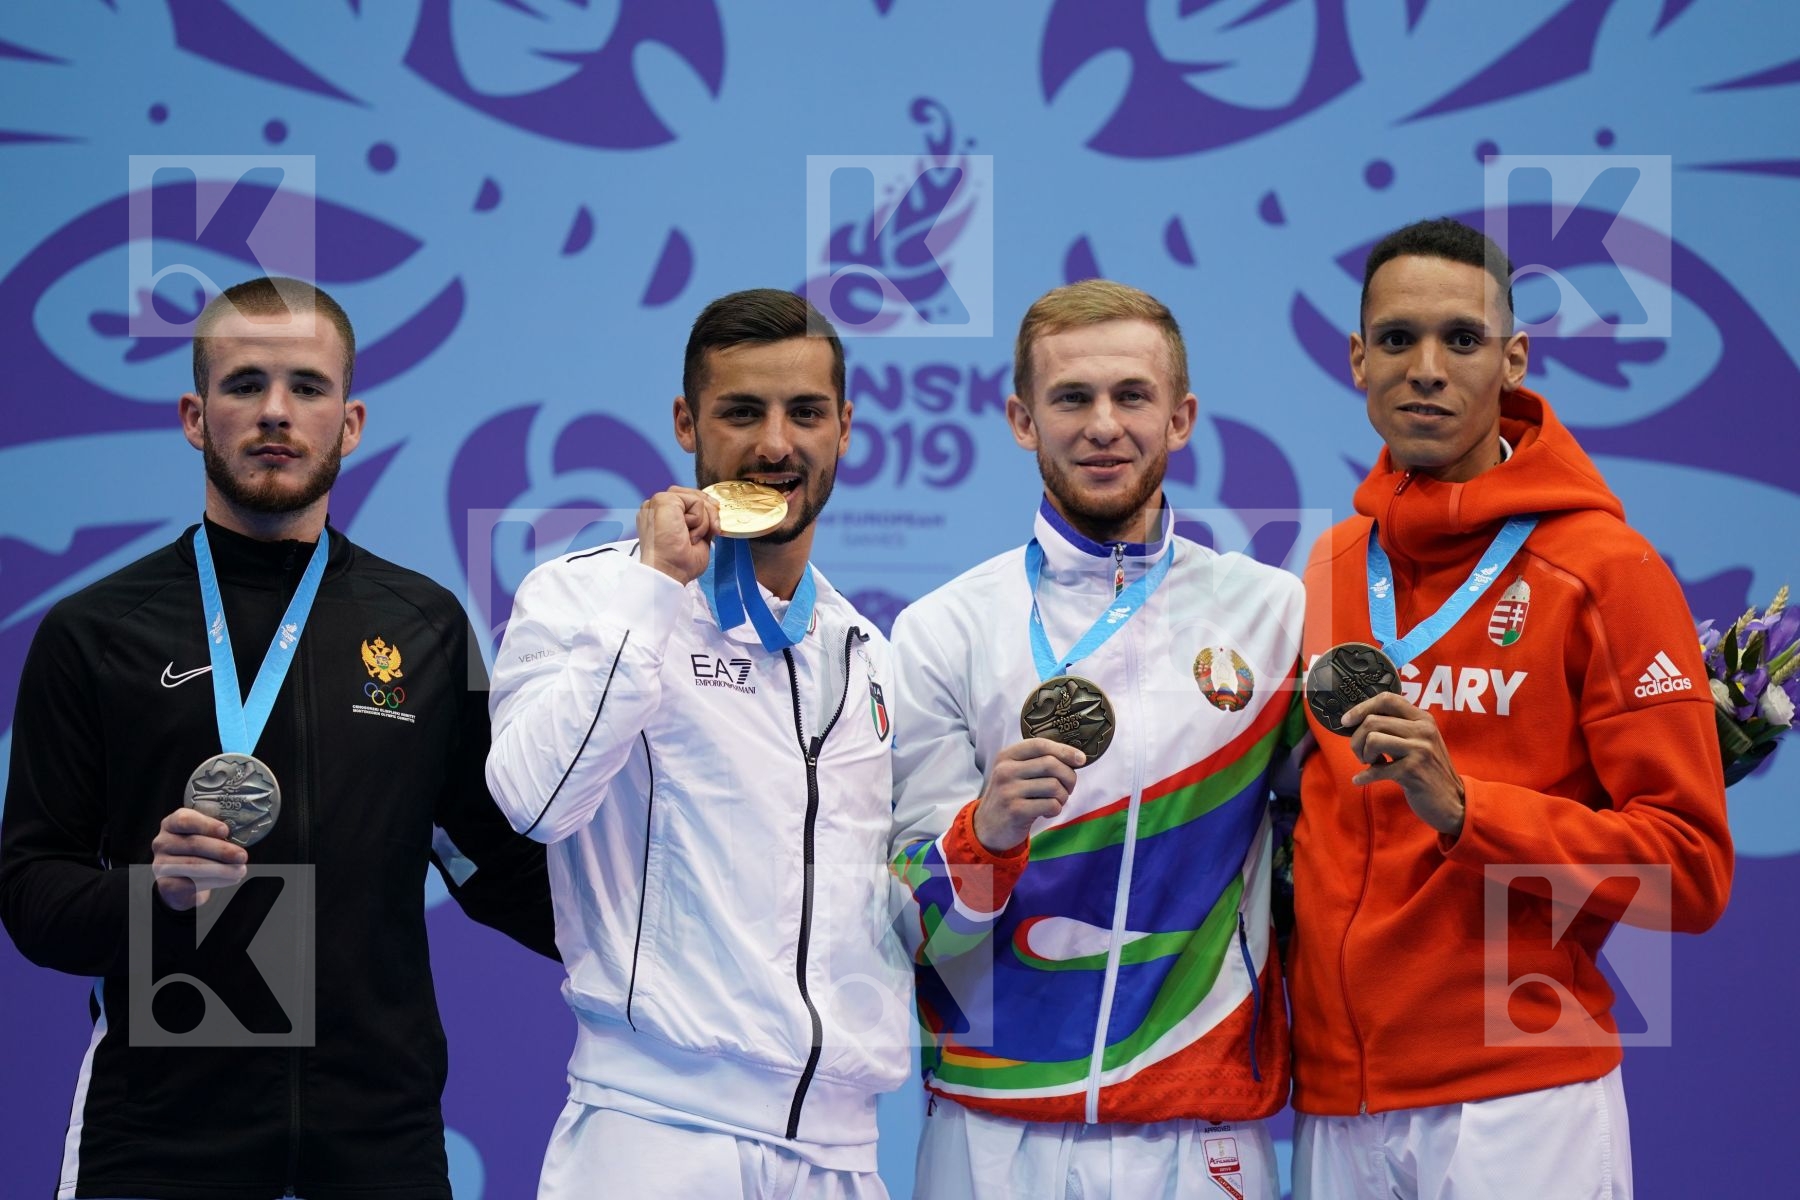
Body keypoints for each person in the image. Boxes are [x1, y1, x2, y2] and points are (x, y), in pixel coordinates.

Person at [0, 277, 556, 1199]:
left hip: (380, 1131)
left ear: (352, 420)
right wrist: (151, 895)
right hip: (161, 1135)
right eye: (243, 384)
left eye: (306, 387)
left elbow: (493, 861)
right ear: (193, 414)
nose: (274, 412)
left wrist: (674, 948)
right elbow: (29, 891)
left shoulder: (425, 624)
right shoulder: (96, 632)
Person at [1288, 217, 1734, 1199]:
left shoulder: (1602, 571)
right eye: (1398, 341)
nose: (1427, 368)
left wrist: (1470, 810)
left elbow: (1690, 873)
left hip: (1517, 1098)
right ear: (1358, 362)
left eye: (1463, 338)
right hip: (1337, 1098)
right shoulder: (1325, 571)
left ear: (1514, 359)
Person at [485, 288, 912, 1198]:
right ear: (687, 421)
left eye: (804, 412)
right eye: (740, 412)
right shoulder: (583, 598)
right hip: (658, 1135)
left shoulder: (869, 655)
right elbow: (535, 801)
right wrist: (651, 593)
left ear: (846, 428)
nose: (773, 445)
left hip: (843, 1148)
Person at [888, 279, 1304, 1199]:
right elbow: (907, 917)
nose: (1103, 425)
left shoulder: (1273, 615)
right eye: (1072, 398)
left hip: (1198, 1124)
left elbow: (1332, 846)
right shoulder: (942, 629)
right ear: (1022, 419)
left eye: (1133, 396)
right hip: (990, 1125)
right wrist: (981, 836)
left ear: (1182, 416)